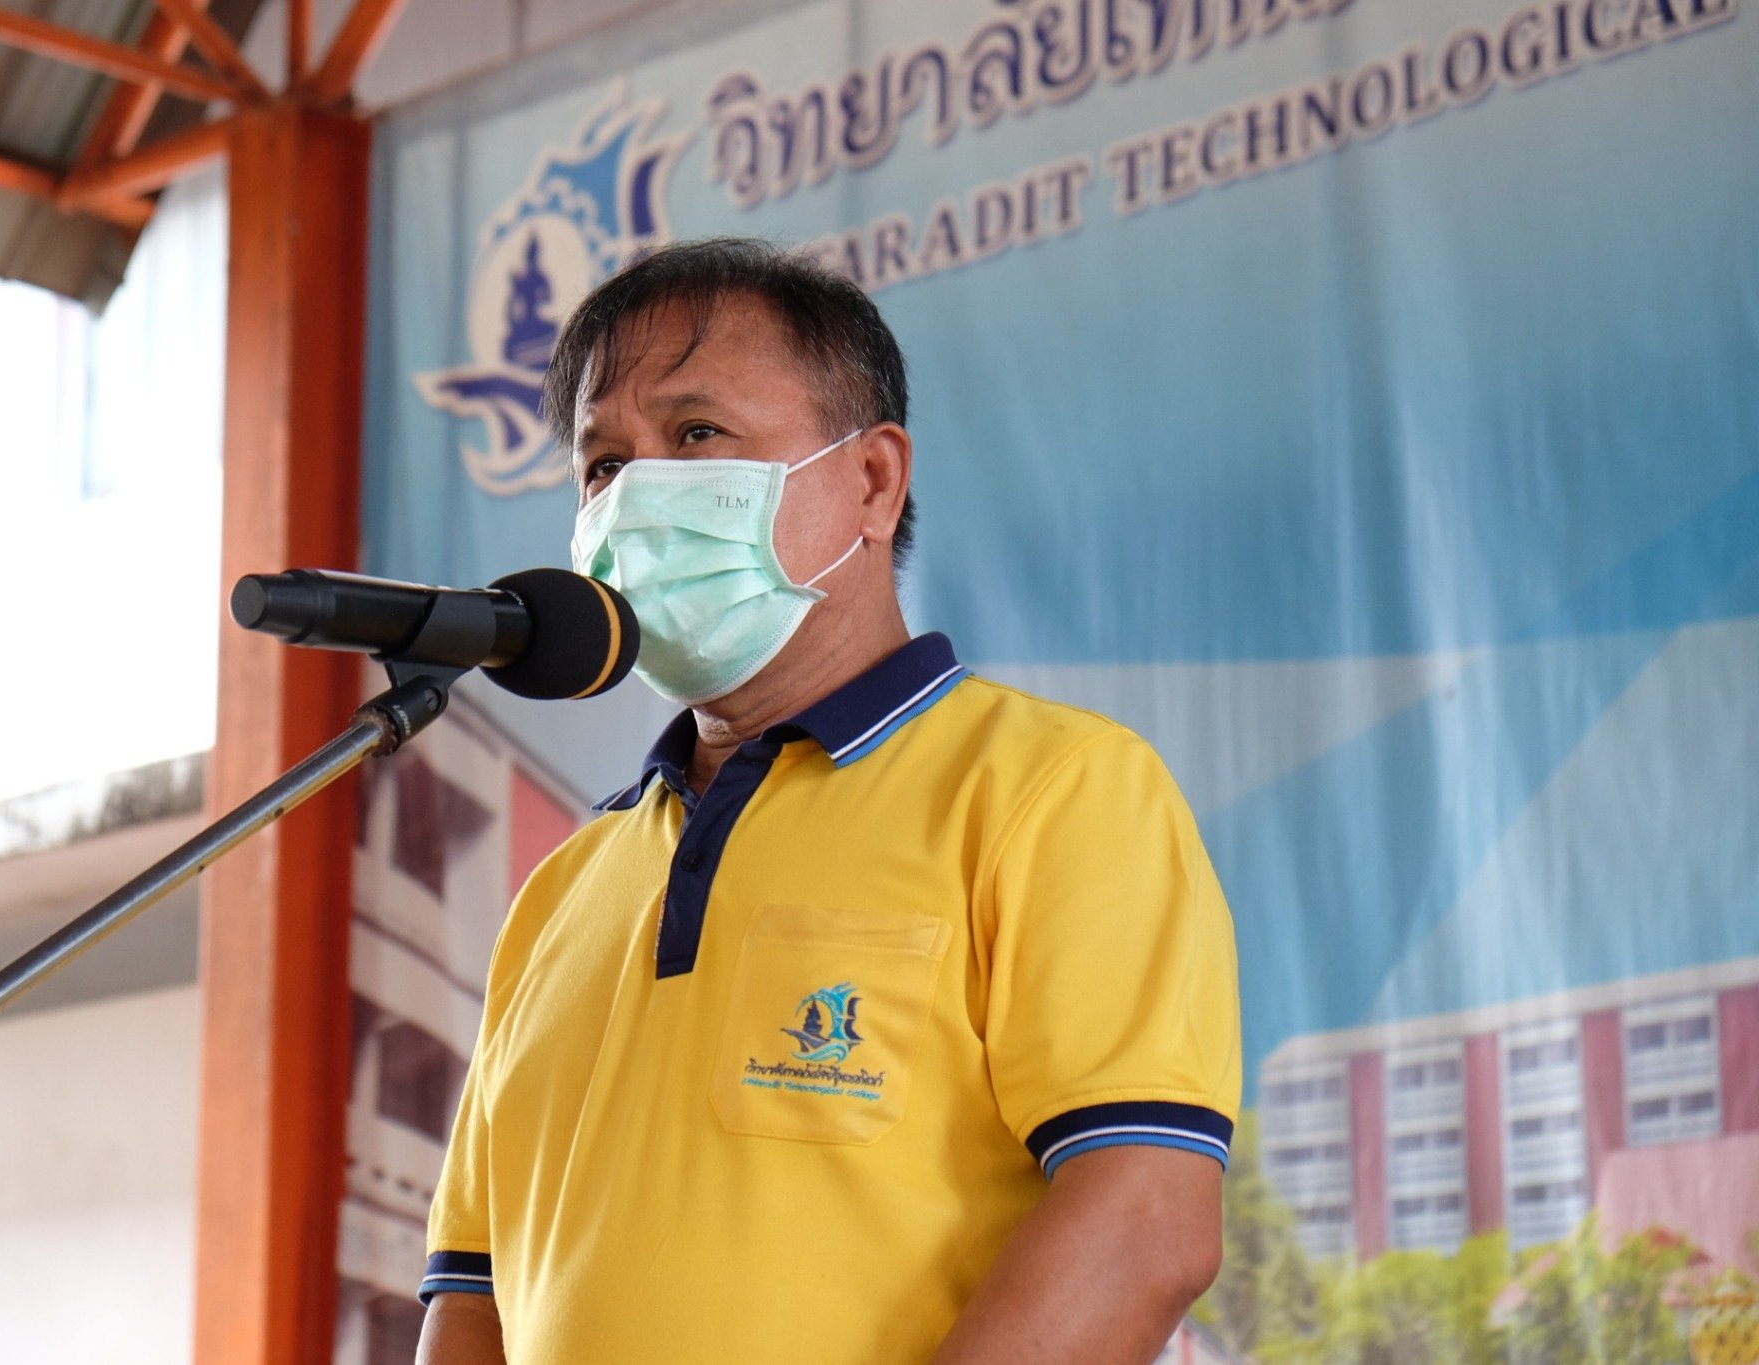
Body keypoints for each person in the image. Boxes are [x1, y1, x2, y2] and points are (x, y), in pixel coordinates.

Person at [417, 238, 1241, 1364]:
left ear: (870, 481)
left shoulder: (1052, 788)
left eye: (696, 435)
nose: (637, 496)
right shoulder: (563, 887)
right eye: (602, 464)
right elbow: (470, 1290)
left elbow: (1142, 1222)